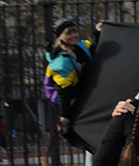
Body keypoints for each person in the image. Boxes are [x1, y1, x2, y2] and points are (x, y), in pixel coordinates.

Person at [44, 18, 104, 152]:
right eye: (69, 33)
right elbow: (63, 90)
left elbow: (94, 49)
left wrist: (97, 31)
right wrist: (64, 115)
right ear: (61, 37)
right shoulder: (62, 60)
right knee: (91, 138)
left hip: (85, 96)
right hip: (73, 101)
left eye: (75, 32)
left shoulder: (79, 46)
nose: (74, 35)